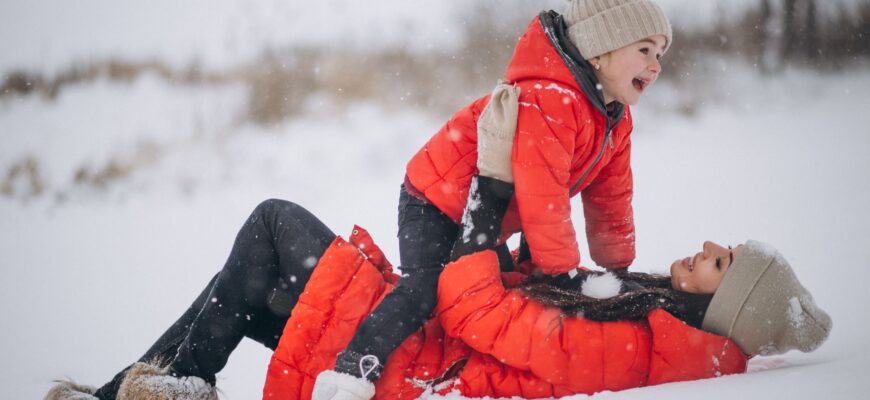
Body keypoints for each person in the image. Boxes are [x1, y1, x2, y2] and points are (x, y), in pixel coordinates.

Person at [43, 194, 832, 399]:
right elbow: (524, 310)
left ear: (726, 306)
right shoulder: (645, 314)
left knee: (273, 228)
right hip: (418, 342)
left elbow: (485, 319)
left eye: (721, 263)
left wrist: (476, 231)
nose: (703, 251)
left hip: (412, 362)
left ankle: (158, 392)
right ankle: (136, 393)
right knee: (252, 282)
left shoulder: (642, 346)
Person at [318, 0, 675, 394]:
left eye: (660, 53)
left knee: (495, 296)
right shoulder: (550, 98)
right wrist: (564, 274)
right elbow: (544, 195)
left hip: (488, 213)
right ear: (599, 49)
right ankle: (352, 370)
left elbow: (611, 198)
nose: (656, 64)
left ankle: (439, 374)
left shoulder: (614, 118)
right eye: (644, 50)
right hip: (435, 200)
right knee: (425, 293)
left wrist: (618, 270)